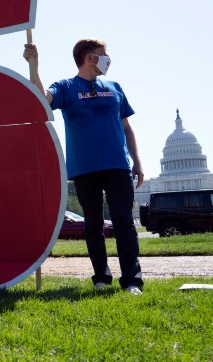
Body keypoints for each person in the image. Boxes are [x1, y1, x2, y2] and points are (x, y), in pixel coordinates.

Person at [24, 39, 145, 294]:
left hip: (117, 165)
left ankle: (132, 281)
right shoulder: (66, 87)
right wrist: (34, 66)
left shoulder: (115, 87)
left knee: (124, 223)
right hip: (84, 168)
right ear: (90, 58)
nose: (108, 59)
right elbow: (42, 100)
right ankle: (101, 277)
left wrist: (137, 161)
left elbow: (126, 127)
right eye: (104, 55)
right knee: (93, 224)